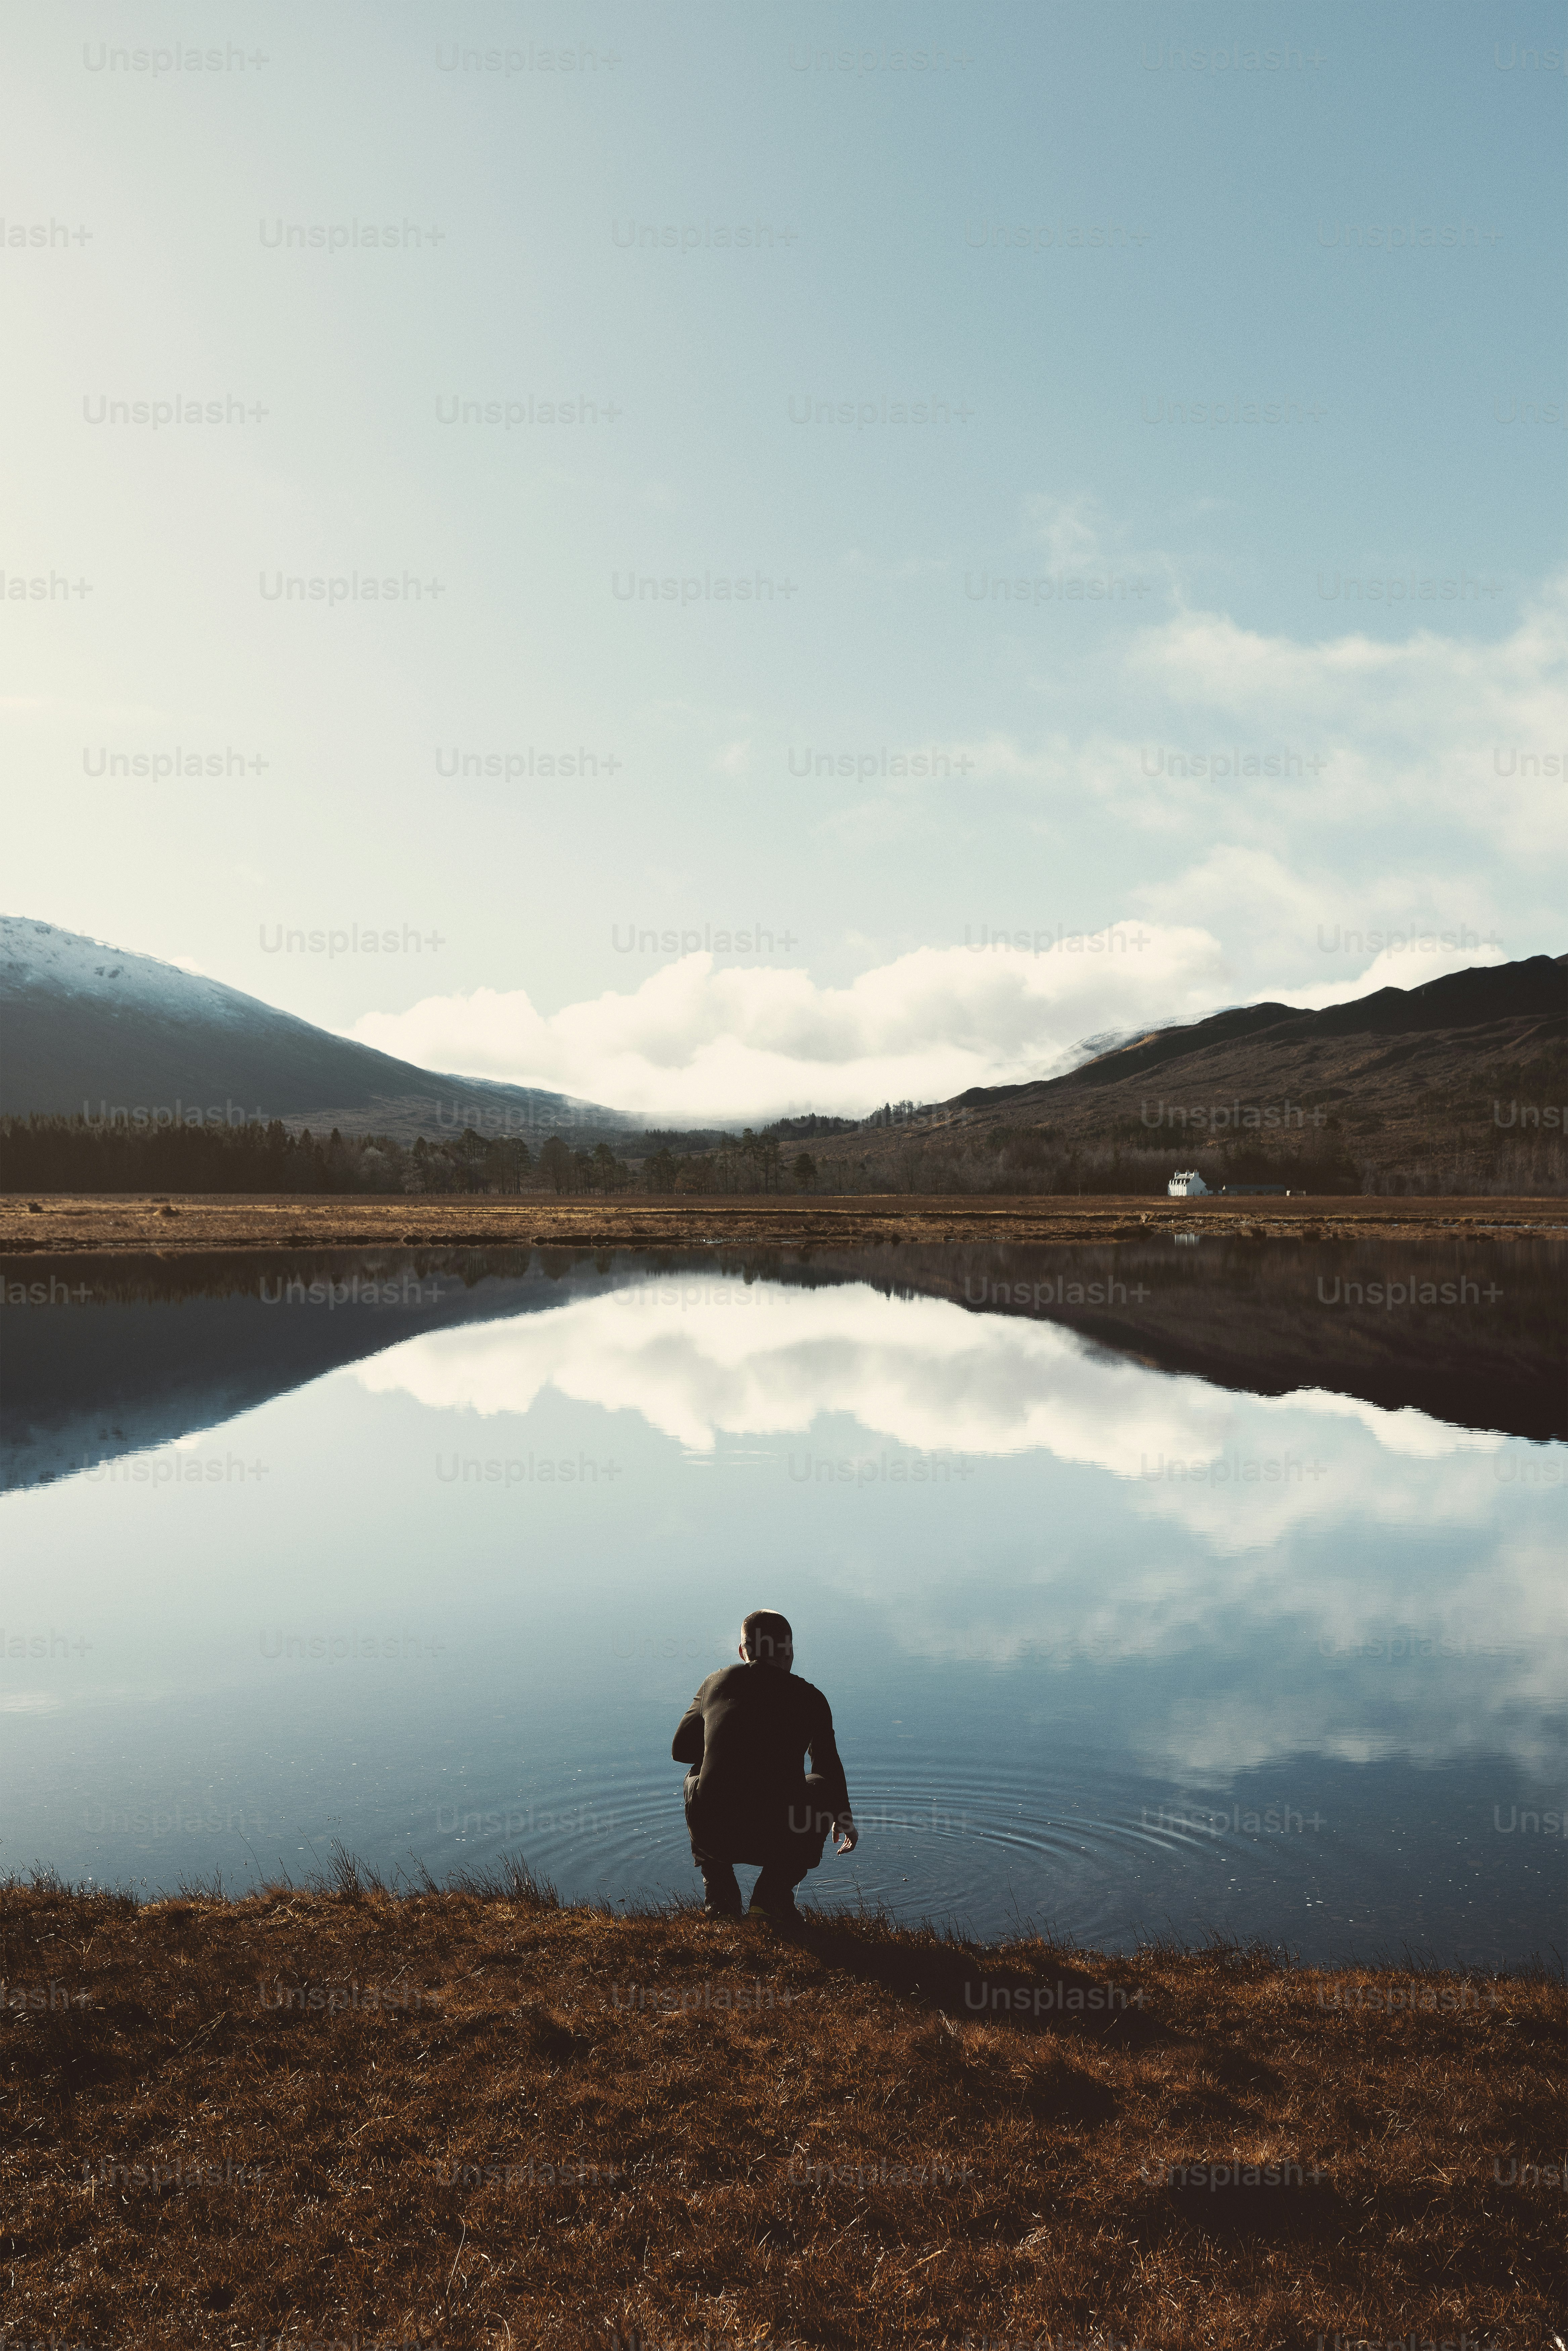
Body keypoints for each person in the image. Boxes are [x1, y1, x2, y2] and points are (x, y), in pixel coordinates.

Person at [672, 1609, 858, 1923]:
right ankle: (770, 1896)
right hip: (779, 1834)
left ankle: (720, 1897)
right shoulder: (810, 1697)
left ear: (743, 1651)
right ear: (789, 1652)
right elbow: (826, 1764)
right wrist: (843, 1816)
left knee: (696, 1774)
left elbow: (681, 1750)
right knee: (820, 1785)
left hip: (715, 1834)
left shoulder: (715, 1682)